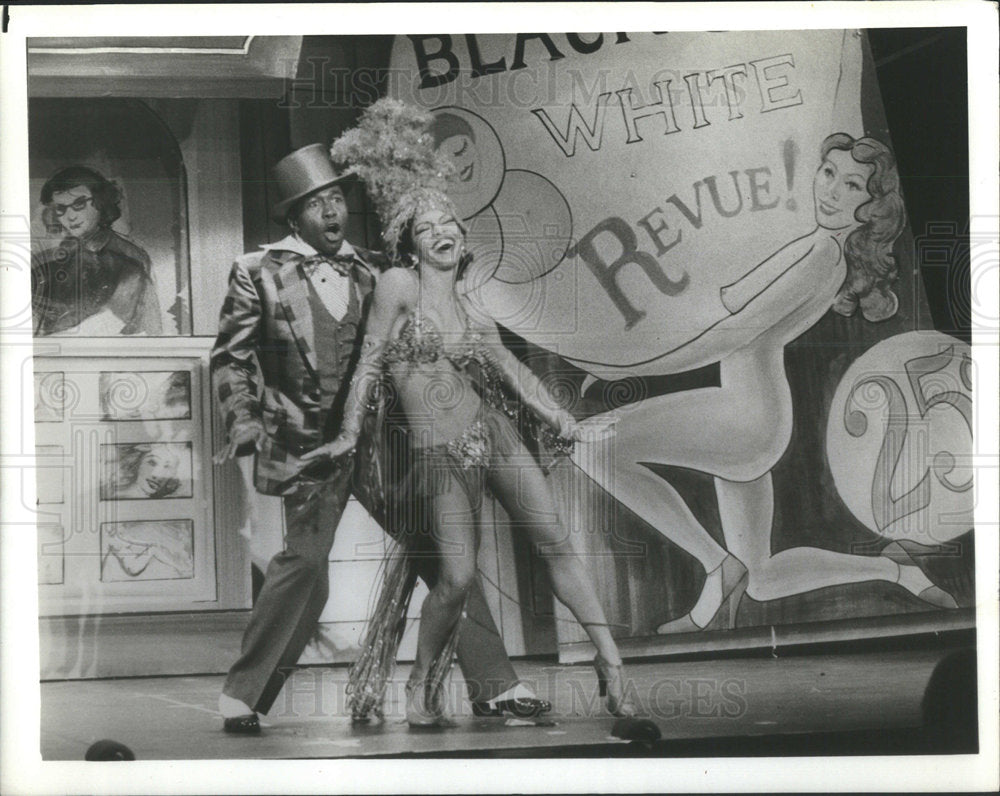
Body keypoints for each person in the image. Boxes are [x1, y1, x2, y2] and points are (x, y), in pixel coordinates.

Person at [211, 143, 550, 735]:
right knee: (306, 564)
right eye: (316, 205)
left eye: (336, 199)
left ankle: (497, 687)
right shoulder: (255, 271)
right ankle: (246, 694)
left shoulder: (375, 271)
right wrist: (244, 419)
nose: (331, 212)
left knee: (444, 554)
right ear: (294, 218)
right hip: (309, 445)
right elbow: (232, 359)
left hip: (386, 441)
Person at [326, 100, 636, 727]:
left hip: (487, 434)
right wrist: (349, 432)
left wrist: (557, 417)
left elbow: (516, 377)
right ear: (409, 244)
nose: (442, 231)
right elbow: (368, 362)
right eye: (426, 226)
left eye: (449, 223)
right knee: (458, 578)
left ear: (461, 238)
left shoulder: (474, 314)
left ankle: (613, 665)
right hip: (438, 453)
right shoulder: (397, 288)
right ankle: (421, 686)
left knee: (555, 542)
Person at [572, 133, 958, 635]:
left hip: (745, 416)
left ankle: (715, 565)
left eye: (853, 185)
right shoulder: (813, 243)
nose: (833, 191)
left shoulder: (823, 255)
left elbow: (729, 333)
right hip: (755, 416)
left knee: (587, 444)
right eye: (827, 174)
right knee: (763, 578)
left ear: (870, 205)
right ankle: (894, 568)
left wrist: (627, 368)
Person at [31, 165, 162, 336]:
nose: (70, 216)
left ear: (100, 201)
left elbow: (143, 327)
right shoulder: (53, 259)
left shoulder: (129, 257)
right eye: (61, 208)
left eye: (78, 204)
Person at [106, 443, 182, 500]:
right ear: (137, 464)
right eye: (152, 463)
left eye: (167, 467)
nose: (158, 475)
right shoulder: (119, 497)